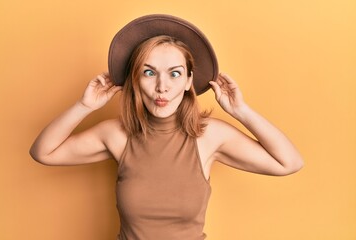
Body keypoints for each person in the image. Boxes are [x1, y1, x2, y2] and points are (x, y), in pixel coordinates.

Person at [30, 14, 303, 240]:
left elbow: (288, 163)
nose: (162, 86)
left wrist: (240, 111)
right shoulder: (117, 134)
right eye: (149, 72)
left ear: (188, 82)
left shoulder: (209, 135)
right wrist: (85, 106)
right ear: (135, 80)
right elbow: (44, 152)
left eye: (174, 73)